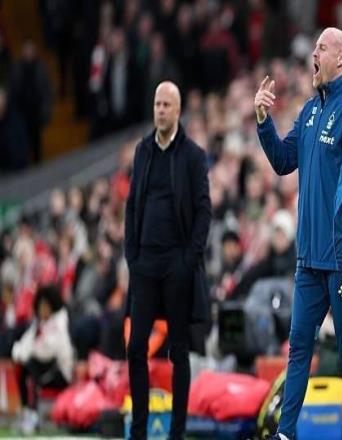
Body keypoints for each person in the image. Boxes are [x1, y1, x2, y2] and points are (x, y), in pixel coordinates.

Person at [254, 27, 342, 440]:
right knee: (298, 350)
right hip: (308, 259)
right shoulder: (309, 111)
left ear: (340, 58)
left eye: (321, 47)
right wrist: (263, 121)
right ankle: (285, 434)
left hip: (341, 257)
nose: (314, 53)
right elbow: (282, 161)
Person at [124, 81, 211, 440]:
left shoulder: (193, 155)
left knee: (179, 351)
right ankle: (139, 432)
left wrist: (189, 260)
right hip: (144, 264)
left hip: (177, 264)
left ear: (178, 111)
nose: (160, 110)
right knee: (135, 348)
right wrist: (132, 255)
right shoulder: (143, 150)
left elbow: (204, 211)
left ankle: (176, 433)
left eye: (166, 105)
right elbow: (132, 205)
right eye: (157, 104)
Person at [11, 285, 74, 435]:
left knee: (31, 365)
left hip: (60, 373)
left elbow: (47, 351)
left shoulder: (60, 323)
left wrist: (26, 353)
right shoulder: (38, 324)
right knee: (23, 367)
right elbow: (23, 345)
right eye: (40, 306)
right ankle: (28, 411)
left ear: (52, 306)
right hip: (43, 369)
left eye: (45, 306)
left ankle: (33, 414)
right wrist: (21, 354)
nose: (42, 309)